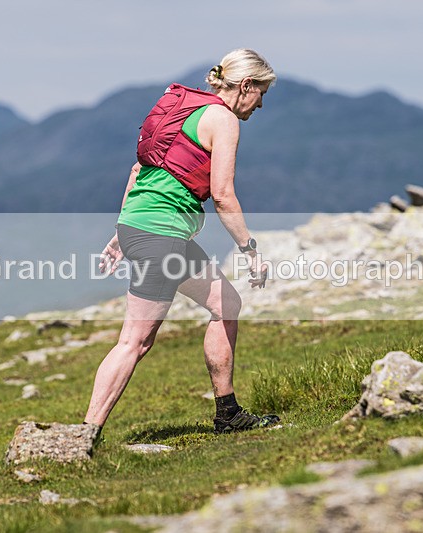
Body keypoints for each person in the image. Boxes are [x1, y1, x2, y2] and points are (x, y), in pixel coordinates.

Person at [83, 49, 279, 441]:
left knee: (226, 304)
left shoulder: (187, 108)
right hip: (163, 235)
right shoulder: (223, 120)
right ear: (246, 86)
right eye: (261, 93)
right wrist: (250, 250)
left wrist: (124, 232)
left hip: (143, 224)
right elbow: (223, 194)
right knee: (135, 342)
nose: (261, 103)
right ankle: (85, 435)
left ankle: (228, 413)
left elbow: (140, 168)